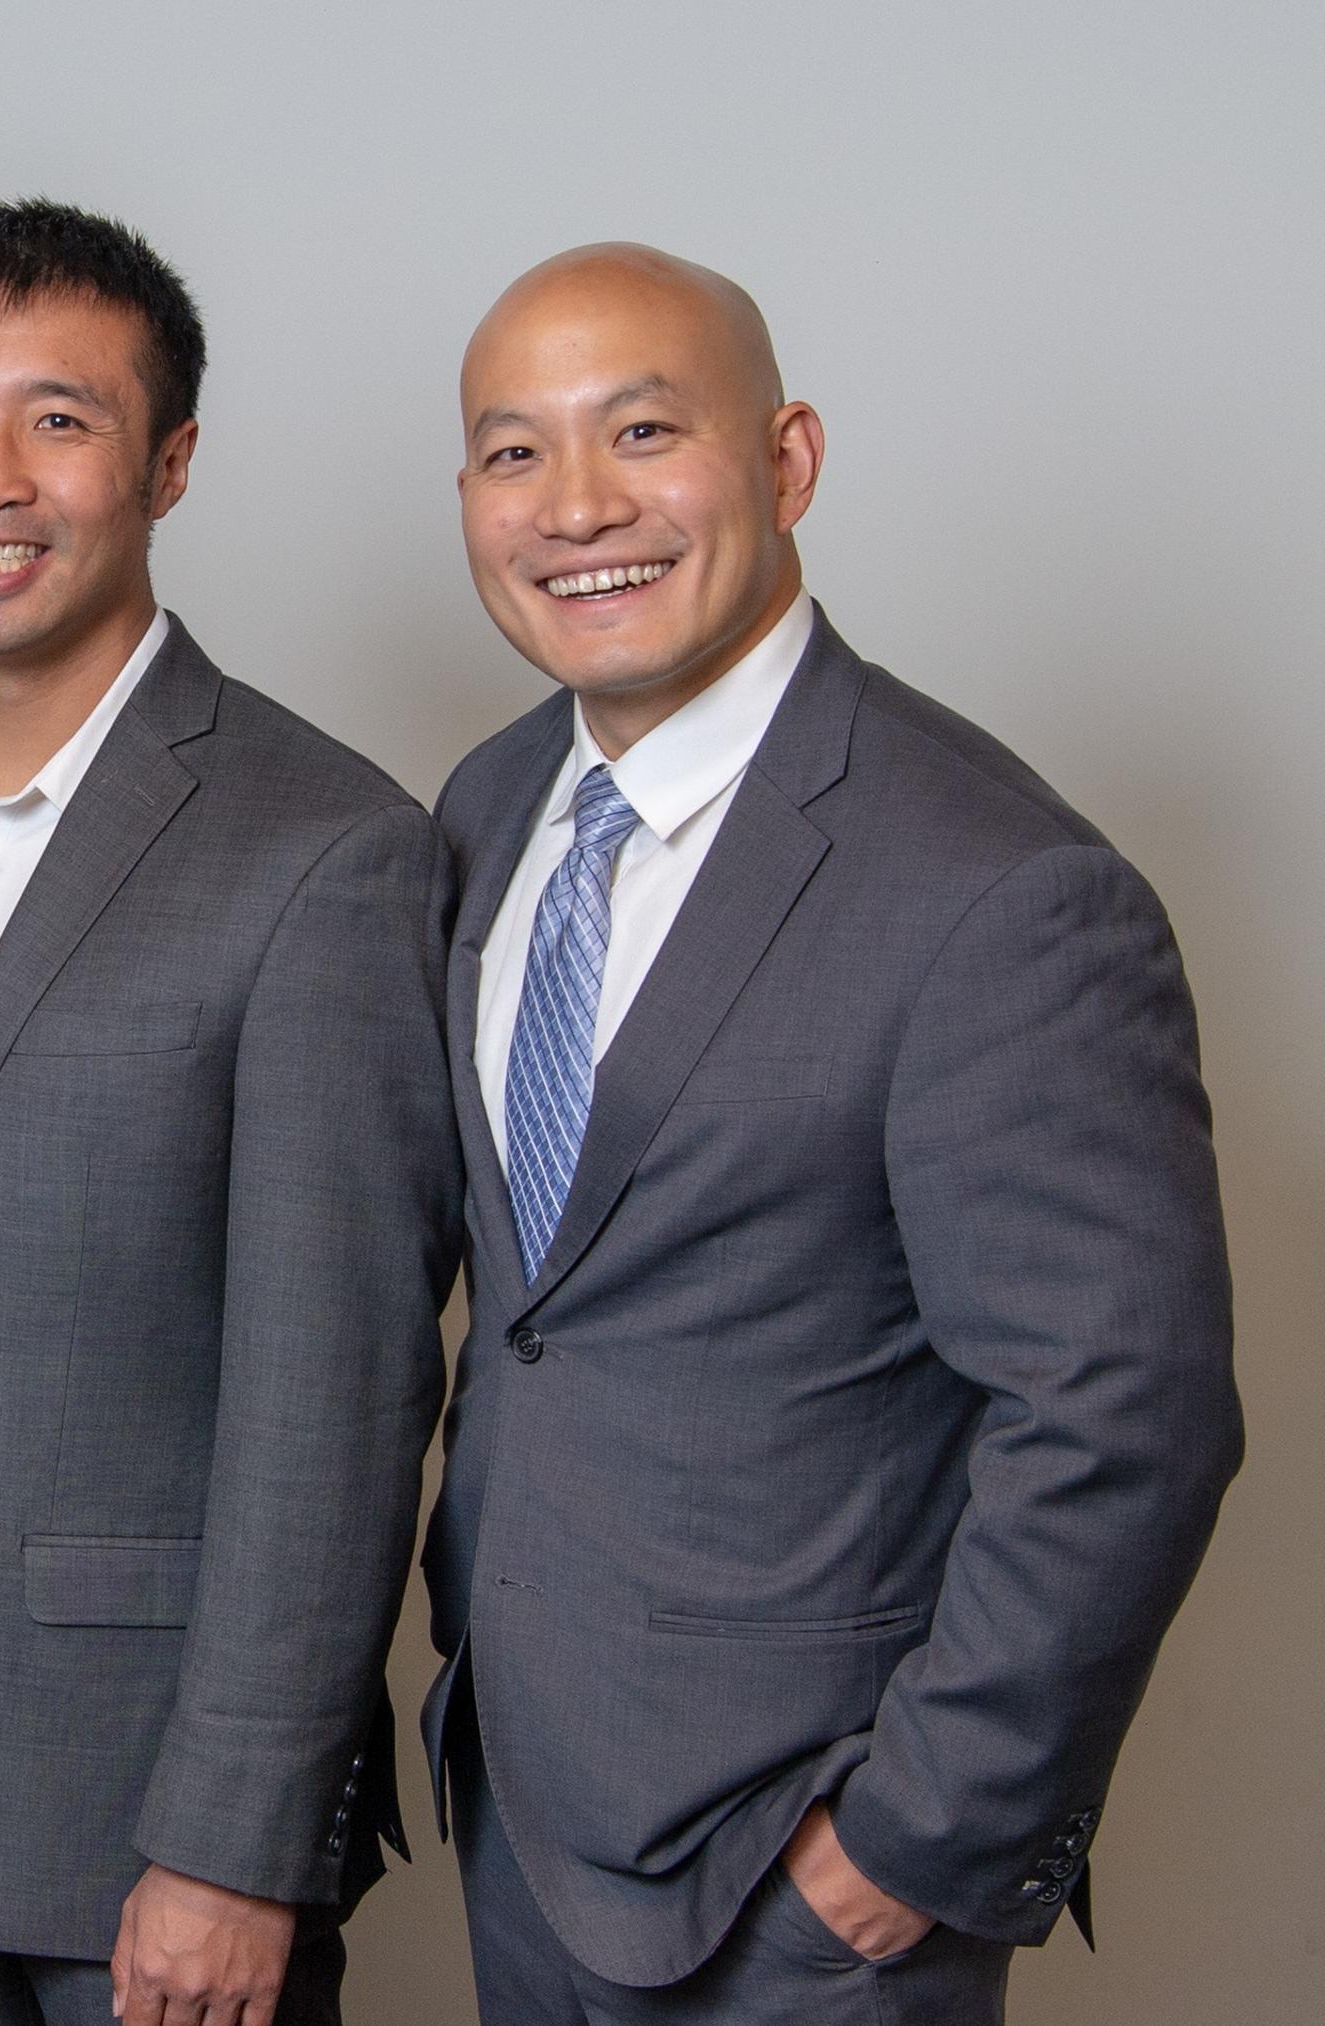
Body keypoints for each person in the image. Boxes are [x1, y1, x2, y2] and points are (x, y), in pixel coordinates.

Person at [421, 242, 1244, 2024]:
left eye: (642, 430)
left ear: (788, 460)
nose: (577, 507)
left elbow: (1130, 1415)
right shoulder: (494, 811)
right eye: (513, 452)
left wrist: (909, 1847)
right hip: (529, 1817)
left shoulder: (1002, 892)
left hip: (789, 1887)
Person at [0, 198, 463, 2026]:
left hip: (155, 1821)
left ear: (170, 461)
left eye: (58, 419)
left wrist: (239, 1840)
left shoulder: (326, 849)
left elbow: (339, 1398)